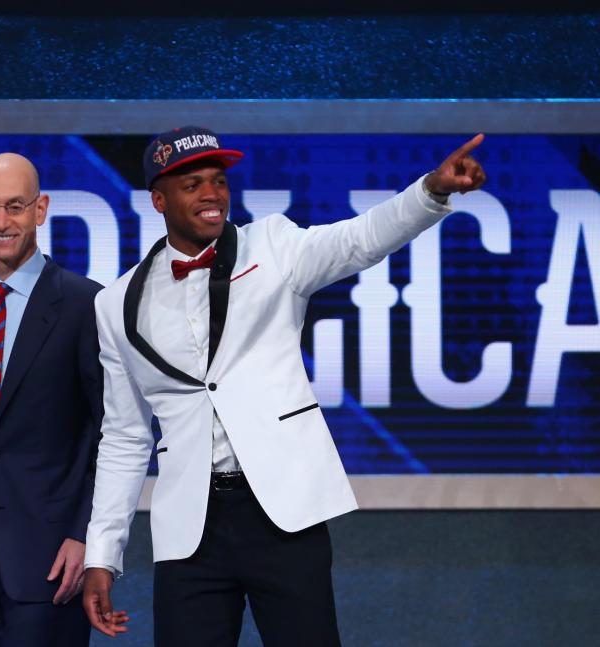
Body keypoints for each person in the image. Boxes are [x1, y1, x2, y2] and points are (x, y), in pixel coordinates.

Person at [82, 126, 487, 646]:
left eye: (218, 180)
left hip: (282, 516)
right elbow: (124, 438)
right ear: (158, 199)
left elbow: (359, 240)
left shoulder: (273, 245)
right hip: (190, 530)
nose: (211, 194)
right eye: (192, 184)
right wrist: (102, 555)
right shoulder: (115, 306)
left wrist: (430, 191)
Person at [0, 152, 106, 647]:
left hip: (54, 554)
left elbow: (109, 435)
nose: (1, 222)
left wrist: (87, 537)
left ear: (40, 209)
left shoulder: (83, 303)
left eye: (15, 206)